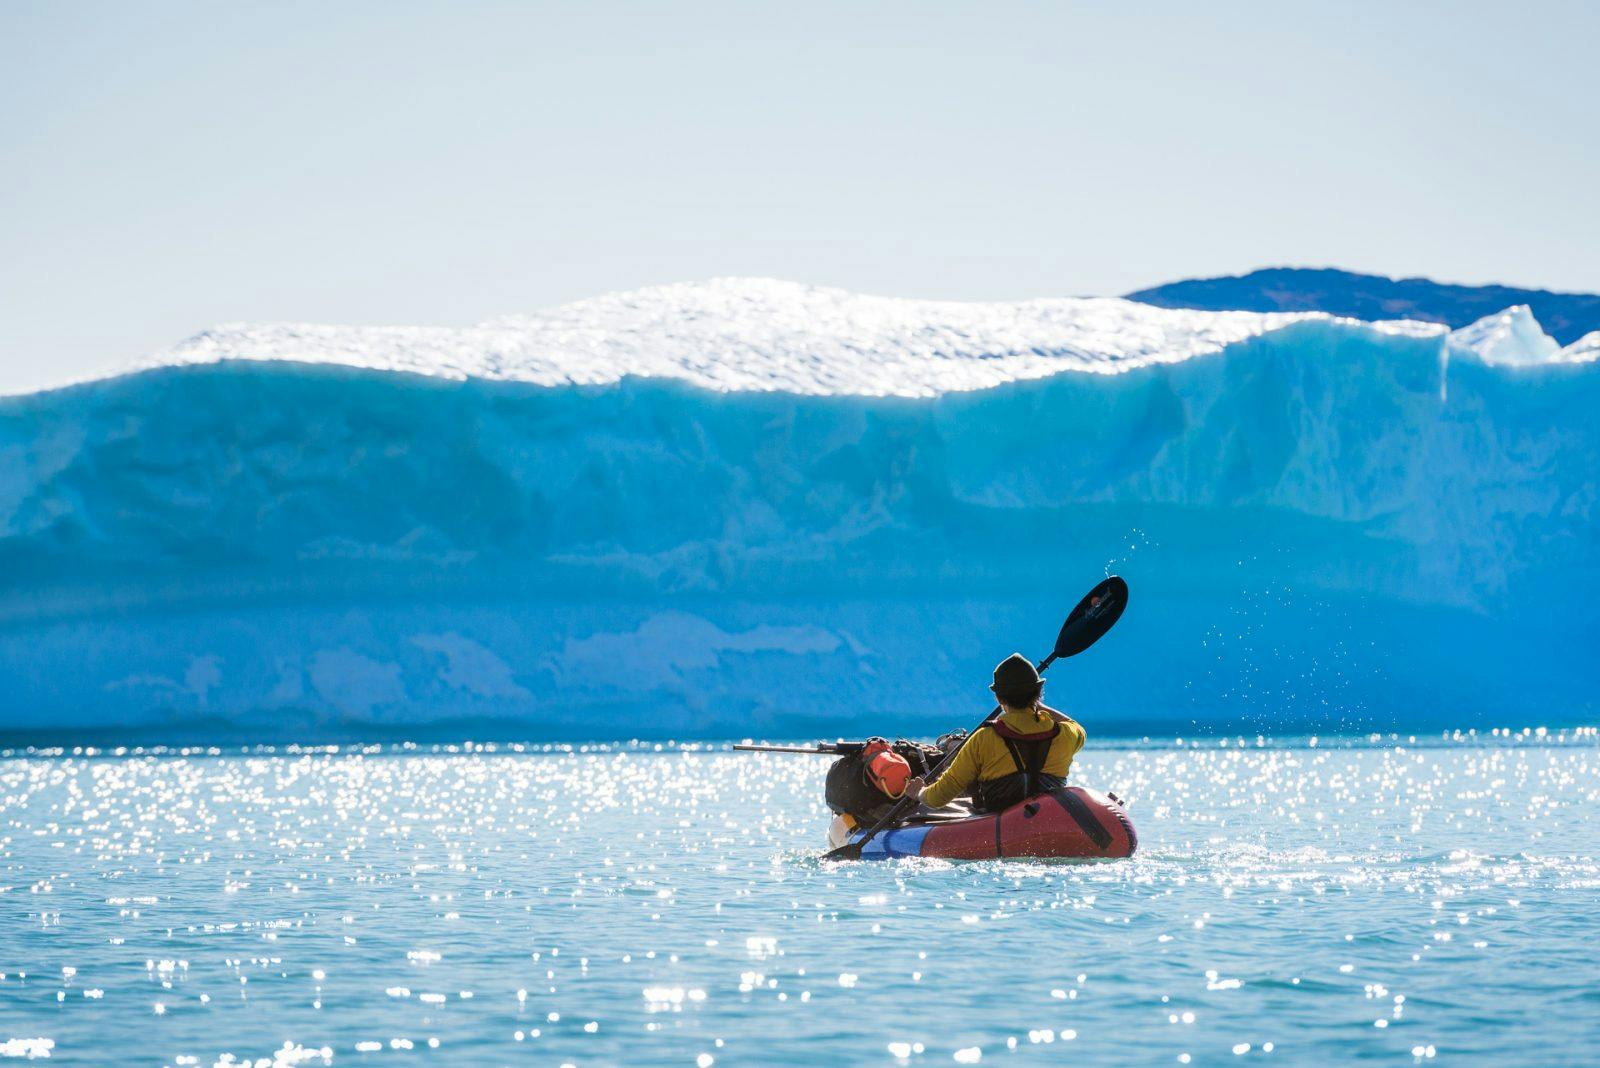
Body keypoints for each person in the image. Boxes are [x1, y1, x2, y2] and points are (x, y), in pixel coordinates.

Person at [903, 653, 1086, 812]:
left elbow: (937, 798)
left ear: (999, 698)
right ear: (1038, 693)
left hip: (1000, 826)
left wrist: (918, 792)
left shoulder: (983, 739)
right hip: (1051, 821)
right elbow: (1074, 725)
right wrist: (1036, 703)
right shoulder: (1065, 734)